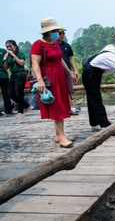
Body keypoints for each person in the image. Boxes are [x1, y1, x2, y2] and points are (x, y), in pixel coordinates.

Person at [31, 17, 76, 148]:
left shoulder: (55, 43)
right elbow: (35, 63)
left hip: (60, 77)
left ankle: (60, 134)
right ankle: (61, 137)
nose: (57, 32)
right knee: (55, 106)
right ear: (48, 31)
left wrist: (69, 73)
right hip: (49, 78)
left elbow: (60, 60)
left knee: (61, 105)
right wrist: (40, 80)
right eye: (55, 30)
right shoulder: (38, 44)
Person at [4, 40, 31, 118]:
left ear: (15, 46)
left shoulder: (20, 54)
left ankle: (20, 111)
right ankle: (26, 105)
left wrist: (13, 56)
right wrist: (5, 59)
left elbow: (21, 63)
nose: (9, 48)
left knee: (19, 92)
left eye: (10, 46)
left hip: (20, 73)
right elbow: (6, 67)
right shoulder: (8, 56)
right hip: (13, 74)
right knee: (10, 93)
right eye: (7, 47)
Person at [57, 27, 80, 115]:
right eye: (60, 33)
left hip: (67, 72)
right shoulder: (54, 46)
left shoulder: (66, 45)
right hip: (58, 72)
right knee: (59, 91)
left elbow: (70, 58)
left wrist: (75, 70)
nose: (62, 35)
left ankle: (68, 109)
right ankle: (60, 109)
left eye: (63, 33)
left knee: (68, 91)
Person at [0, 47, 13, 117]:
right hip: (3, 75)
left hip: (3, 75)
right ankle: (8, 110)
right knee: (6, 94)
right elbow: (6, 67)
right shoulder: (3, 51)